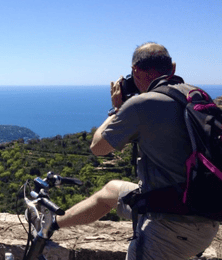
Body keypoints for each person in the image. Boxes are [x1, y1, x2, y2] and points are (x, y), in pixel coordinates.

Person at [55, 42, 219, 259]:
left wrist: (117, 109)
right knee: (112, 191)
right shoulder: (195, 95)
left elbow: (99, 148)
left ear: (135, 71)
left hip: (169, 228)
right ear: (173, 68)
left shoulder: (143, 104)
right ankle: (53, 224)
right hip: (205, 214)